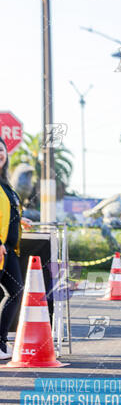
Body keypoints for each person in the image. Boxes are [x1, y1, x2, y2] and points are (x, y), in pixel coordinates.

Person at [0, 137, 28, 360]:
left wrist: (20, 221)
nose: (0, 153)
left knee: (16, 291)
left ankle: (1, 342)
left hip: (9, 249)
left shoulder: (5, 184)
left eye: (2, 150)